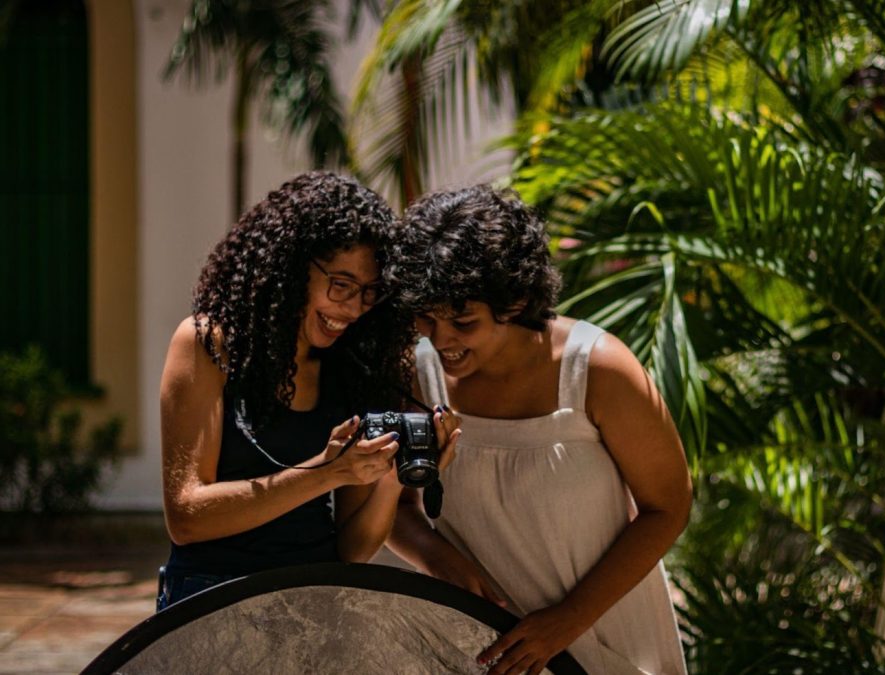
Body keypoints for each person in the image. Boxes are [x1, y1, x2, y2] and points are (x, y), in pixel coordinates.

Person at [384, 185, 692, 675]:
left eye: (463, 322)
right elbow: (395, 507)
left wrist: (569, 620)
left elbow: (669, 506)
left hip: (610, 640)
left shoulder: (599, 370)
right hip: (485, 651)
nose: (442, 341)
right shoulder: (418, 377)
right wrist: (437, 557)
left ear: (517, 299)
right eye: (426, 319)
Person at [157, 171, 459, 610]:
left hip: (313, 605)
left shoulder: (359, 368)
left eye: (370, 293)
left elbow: (353, 551)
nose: (353, 309)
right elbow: (186, 517)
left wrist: (393, 478)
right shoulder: (209, 344)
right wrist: (327, 471)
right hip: (208, 604)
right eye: (341, 286)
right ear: (291, 266)